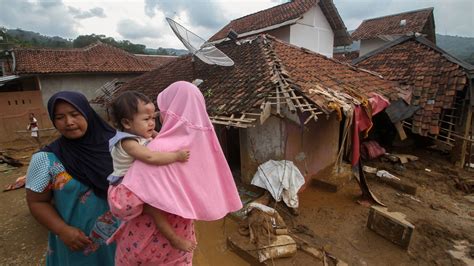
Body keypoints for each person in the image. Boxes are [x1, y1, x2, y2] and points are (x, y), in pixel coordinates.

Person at [108, 81, 243, 265]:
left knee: (151, 207)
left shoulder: (160, 148)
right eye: (147, 119)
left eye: (156, 114)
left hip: (146, 242)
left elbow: (123, 205)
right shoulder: (204, 147)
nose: (154, 120)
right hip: (183, 237)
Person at [25, 91, 118, 266]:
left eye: (75, 114)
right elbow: (36, 202)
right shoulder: (45, 159)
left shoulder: (119, 147)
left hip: (124, 239)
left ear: (87, 113)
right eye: (60, 117)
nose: (69, 122)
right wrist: (62, 230)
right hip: (78, 245)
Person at [108, 91, 194, 252]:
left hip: (134, 187)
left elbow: (161, 138)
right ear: (127, 123)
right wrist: (176, 156)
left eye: (153, 118)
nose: (152, 123)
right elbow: (150, 157)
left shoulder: (140, 134)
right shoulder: (127, 142)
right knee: (155, 210)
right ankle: (174, 239)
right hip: (125, 192)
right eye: (146, 119)